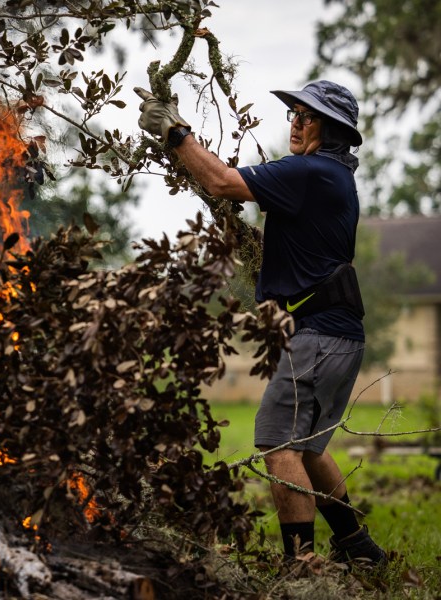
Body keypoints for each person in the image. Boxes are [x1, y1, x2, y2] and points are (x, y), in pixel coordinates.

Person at [135, 80, 387, 566]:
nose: (294, 122)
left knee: (278, 443)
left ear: (330, 129)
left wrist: (175, 132)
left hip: (320, 335)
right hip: (335, 333)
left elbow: (223, 183)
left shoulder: (313, 171)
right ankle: (358, 548)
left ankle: (302, 566)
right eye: (292, 113)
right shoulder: (329, 176)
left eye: (305, 116)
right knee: (309, 448)